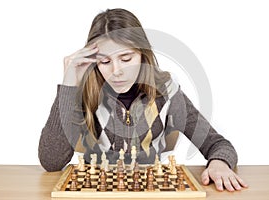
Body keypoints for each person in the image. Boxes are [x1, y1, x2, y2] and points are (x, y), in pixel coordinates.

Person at [38, 8, 248, 192]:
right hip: (95, 191)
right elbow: (51, 161)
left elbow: (218, 144)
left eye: (126, 59)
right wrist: (68, 86)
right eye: (105, 61)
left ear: (142, 54)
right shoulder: (81, 94)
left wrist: (219, 163)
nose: (116, 71)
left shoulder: (166, 93)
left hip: (150, 191)